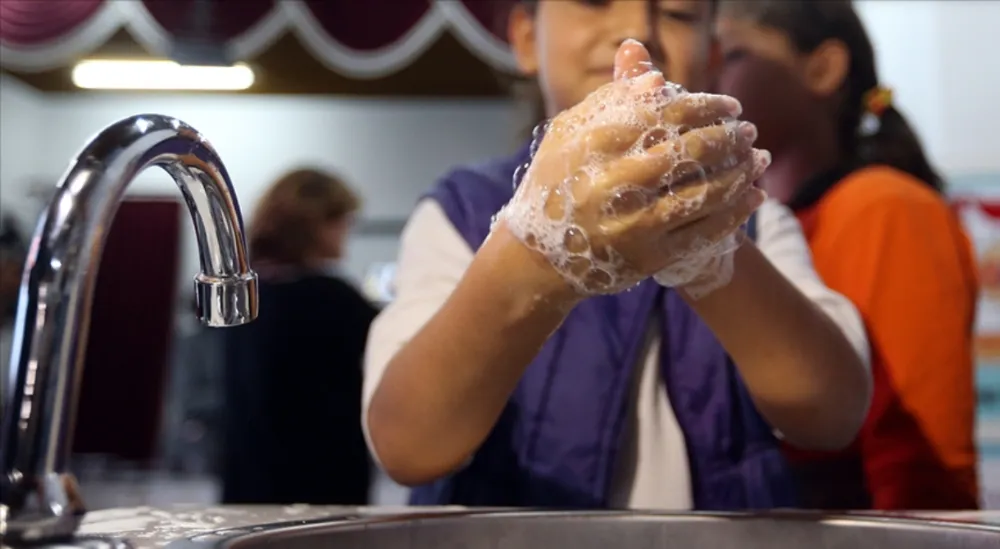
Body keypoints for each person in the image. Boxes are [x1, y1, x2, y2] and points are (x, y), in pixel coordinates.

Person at [364, 1, 872, 510]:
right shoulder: (460, 213)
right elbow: (406, 444)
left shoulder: (755, 216)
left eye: (677, 13)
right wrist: (539, 245)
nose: (636, 31)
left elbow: (832, 412)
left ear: (712, 55)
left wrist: (707, 247)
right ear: (524, 38)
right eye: (594, 2)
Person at [714, 0, 980, 509]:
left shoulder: (883, 207)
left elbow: (916, 465)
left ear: (822, 69)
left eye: (732, 54)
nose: (708, 73)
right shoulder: (767, 225)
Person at [220, 168, 378, 505]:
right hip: (322, 488)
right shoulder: (331, 298)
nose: (346, 232)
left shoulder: (245, 294)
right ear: (316, 224)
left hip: (248, 485)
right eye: (342, 221)